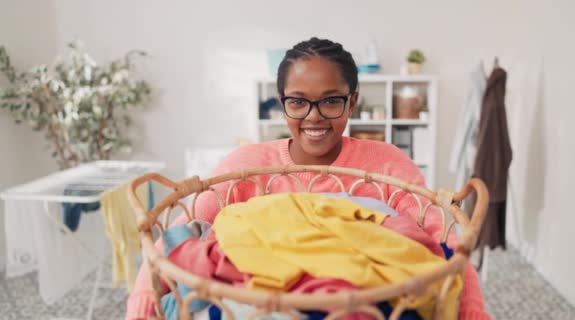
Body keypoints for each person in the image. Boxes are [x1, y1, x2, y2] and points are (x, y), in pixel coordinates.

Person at [126, 37, 489, 319]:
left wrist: (471, 313)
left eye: (331, 101)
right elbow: (179, 240)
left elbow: (446, 241)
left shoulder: (388, 168)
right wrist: (143, 309)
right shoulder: (246, 166)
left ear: (353, 102)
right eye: (297, 102)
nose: (313, 117)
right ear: (281, 101)